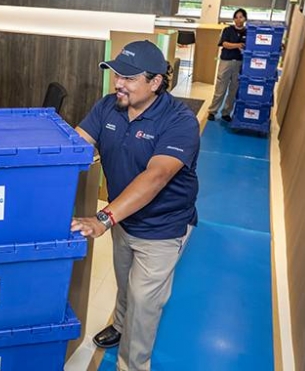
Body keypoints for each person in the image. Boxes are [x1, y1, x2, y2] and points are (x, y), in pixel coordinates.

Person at [71, 40, 200, 371]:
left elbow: (156, 177)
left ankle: (132, 365)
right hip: (125, 221)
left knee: (145, 303)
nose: (118, 83)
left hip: (162, 228)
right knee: (125, 282)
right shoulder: (108, 107)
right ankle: (118, 325)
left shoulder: (179, 122)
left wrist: (103, 217)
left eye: (128, 78)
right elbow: (75, 142)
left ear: (155, 82)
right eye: (116, 75)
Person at [207, 8, 248, 122]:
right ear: (233, 19)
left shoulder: (248, 32)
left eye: (241, 17)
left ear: (245, 18)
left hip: (240, 63)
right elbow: (224, 44)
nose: (238, 19)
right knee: (220, 88)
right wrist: (239, 45)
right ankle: (212, 111)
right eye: (236, 17)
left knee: (233, 89)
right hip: (226, 62)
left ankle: (226, 112)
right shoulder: (227, 30)